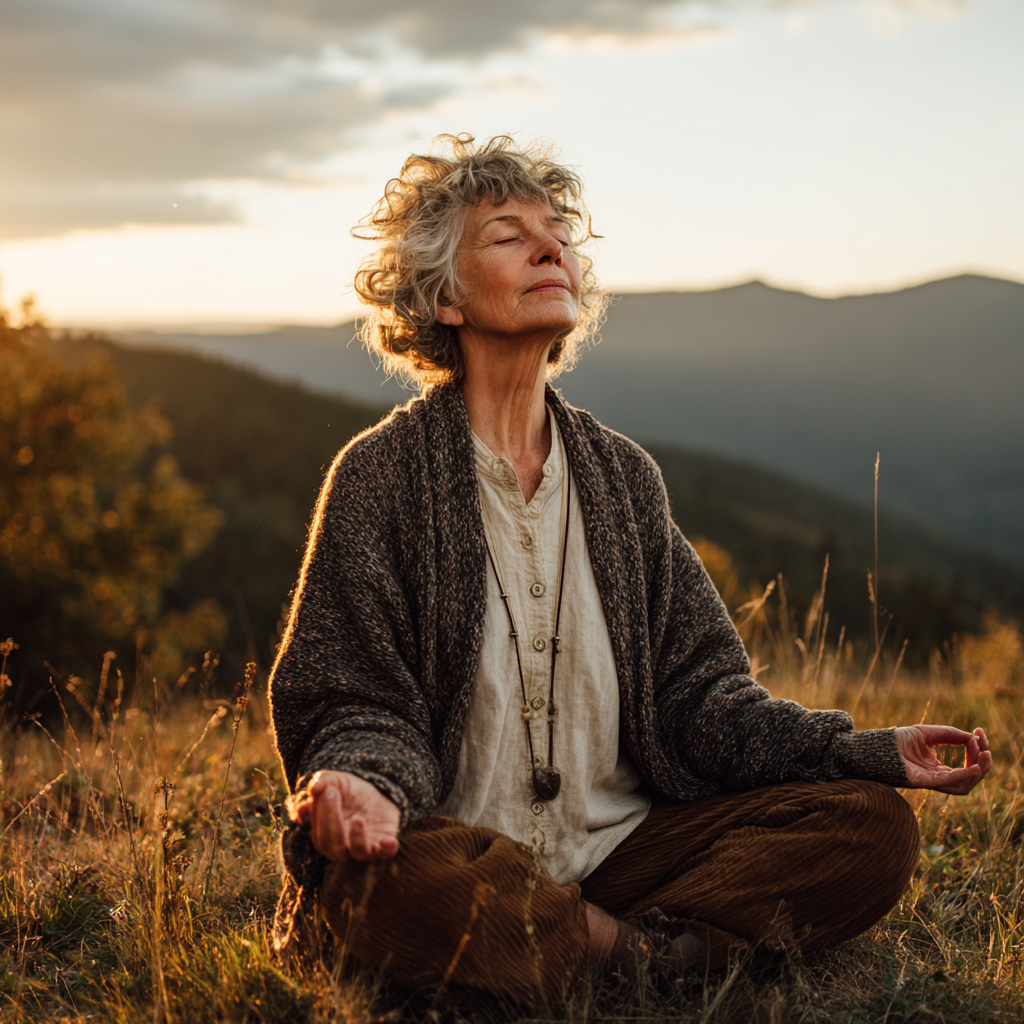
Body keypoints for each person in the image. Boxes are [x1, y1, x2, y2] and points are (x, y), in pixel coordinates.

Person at [269, 134, 991, 1004]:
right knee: (382, 880)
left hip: (622, 853)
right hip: (457, 849)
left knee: (869, 828)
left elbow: (704, 699)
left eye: (556, 233)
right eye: (506, 235)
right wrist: (362, 785)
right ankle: (653, 962)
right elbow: (350, 696)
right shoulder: (381, 477)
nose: (550, 248)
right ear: (442, 298)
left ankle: (580, 951)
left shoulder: (621, 479)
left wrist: (855, 750)